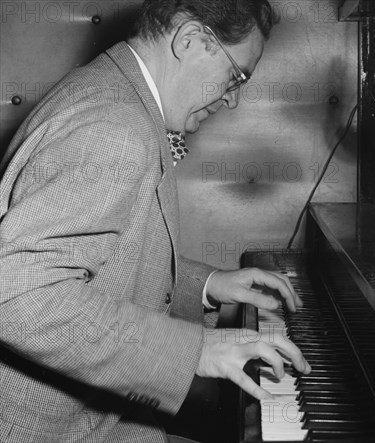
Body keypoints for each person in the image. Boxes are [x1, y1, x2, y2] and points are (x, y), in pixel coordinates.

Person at [0, 1, 310, 441]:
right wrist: (195, 351)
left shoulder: (111, 94)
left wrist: (206, 285)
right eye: (237, 75)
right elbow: (19, 297)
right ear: (190, 40)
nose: (233, 96)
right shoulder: (114, 125)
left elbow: (105, 263)